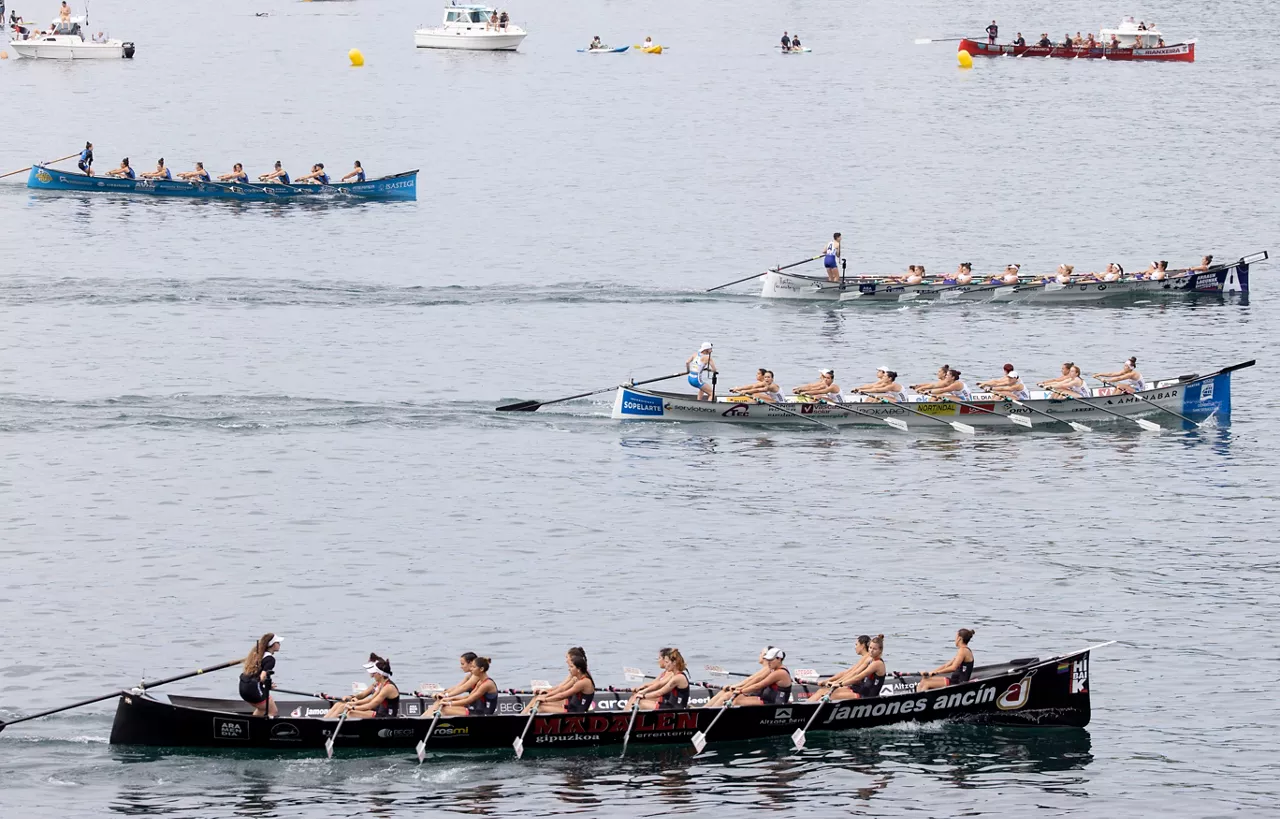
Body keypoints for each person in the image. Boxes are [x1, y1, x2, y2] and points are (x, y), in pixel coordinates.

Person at [706, 647, 793, 707]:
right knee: (731, 696)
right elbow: (754, 679)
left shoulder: (780, 673)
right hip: (766, 698)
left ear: (779, 659)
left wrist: (741, 690)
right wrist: (739, 688)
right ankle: (705, 710)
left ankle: (711, 716)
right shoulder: (773, 669)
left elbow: (758, 685)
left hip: (774, 703)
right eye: (768, 660)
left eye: (771, 660)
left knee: (735, 701)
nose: (768, 662)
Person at [324, 654, 400, 718]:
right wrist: (352, 701)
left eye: (374, 673)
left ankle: (329, 725)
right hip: (378, 712)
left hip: (387, 717)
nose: (372, 676)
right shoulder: (381, 685)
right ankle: (325, 721)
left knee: (351, 713)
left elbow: (371, 705)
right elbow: (369, 699)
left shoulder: (388, 688)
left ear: (380, 675)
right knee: (340, 705)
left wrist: (353, 707)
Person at [523, 648, 595, 714]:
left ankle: (521, 719)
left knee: (540, 707)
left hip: (574, 712)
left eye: (571, 666)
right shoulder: (578, 676)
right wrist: (546, 693)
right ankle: (521, 716)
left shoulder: (582, 682)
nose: (569, 668)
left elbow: (562, 694)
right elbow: (562, 688)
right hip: (571, 705)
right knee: (537, 700)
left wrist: (545, 698)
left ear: (578, 669)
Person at [426, 656, 498, 717]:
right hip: (476, 709)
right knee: (439, 705)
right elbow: (468, 697)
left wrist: (449, 703)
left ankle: (424, 723)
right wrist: (449, 699)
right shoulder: (480, 682)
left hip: (483, 714)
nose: (471, 669)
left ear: (481, 669)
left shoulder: (487, 684)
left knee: (444, 710)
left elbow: (468, 700)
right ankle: (422, 719)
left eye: (473, 667)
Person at [807, 635, 871, 700]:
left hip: (861, 691)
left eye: (856, 644)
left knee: (827, 694)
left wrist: (837, 683)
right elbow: (847, 672)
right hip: (856, 688)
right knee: (822, 690)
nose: (855, 647)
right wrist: (829, 680)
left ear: (862, 645)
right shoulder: (864, 658)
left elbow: (854, 674)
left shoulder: (867, 658)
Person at [238, 633, 282, 717]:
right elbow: (262, 678)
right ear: (272, 644)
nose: (279, 644)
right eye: (278, 642)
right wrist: (268, 685)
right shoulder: (270, 659)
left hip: (243, 687)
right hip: (253, 689)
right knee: (273, 711)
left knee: (262, 709)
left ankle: (252, 724)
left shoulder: (256, 654)